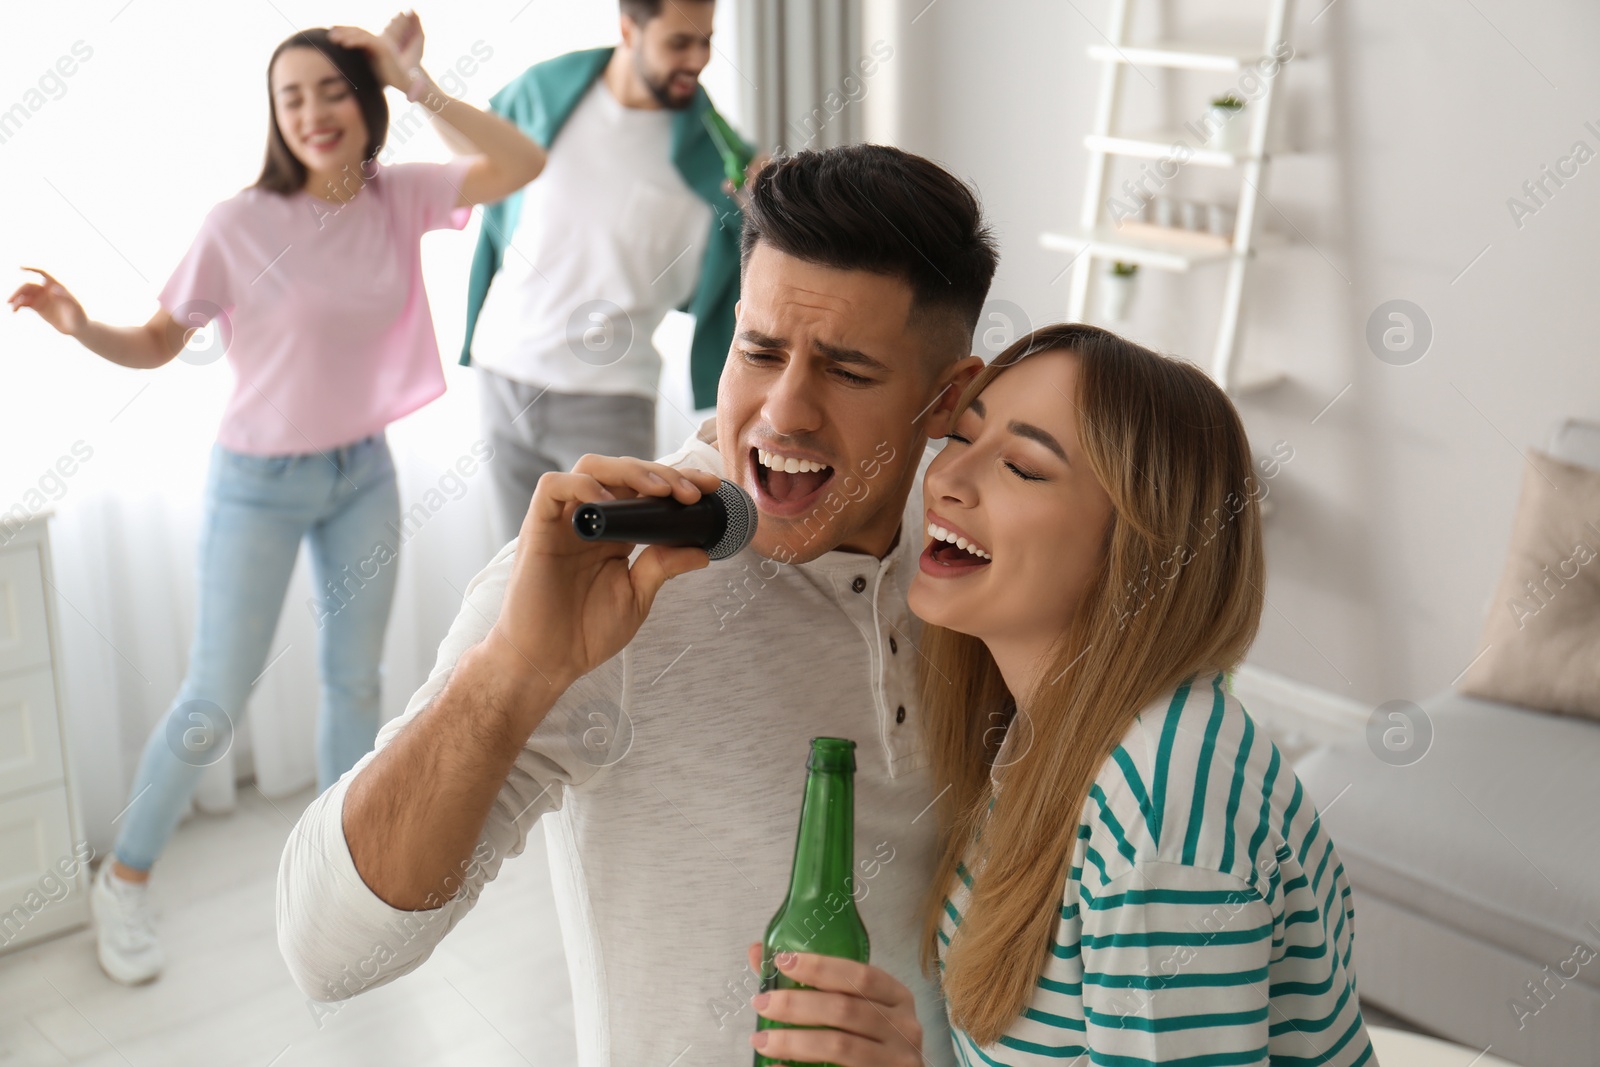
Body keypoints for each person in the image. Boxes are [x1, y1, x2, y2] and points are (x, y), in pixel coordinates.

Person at [276, 143, 997, 1066]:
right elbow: (325, 951)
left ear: (946, 400)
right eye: (760, 349)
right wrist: (515, 671)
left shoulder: (975, 564)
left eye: (848, 371)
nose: (784, 411)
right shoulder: (606, 588)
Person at [8, 18, 544, 986]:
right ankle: (123, 877)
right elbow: (159, 340)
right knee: (214, 696)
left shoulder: (397, 197)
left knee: (355, 687)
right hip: (257, 481)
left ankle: (342, 887)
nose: (310, 113)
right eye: (288, 97)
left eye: (330, 90)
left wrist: (417, 81)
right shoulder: (238, 222)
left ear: (363, 95)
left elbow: (521, 160)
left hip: (361, 474)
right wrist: (81, 324)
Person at [753, 323, 1376, 1065]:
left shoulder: (1159, 809)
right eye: (960, 437)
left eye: (1021, 466)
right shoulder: (1043, 734)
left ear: (1140, 547)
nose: (947, 480)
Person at [440, 0, 760, 543]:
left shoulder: (719, 155)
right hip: (504, 374)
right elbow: (477, 165)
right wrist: (417, 86)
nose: (698, 59)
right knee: (510, 575)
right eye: (679, 43)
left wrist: (764, 201)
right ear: (628, 31)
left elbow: (747, 259)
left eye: (706, 41)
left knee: (611, 569)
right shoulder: (546, 93)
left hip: (610, 396)